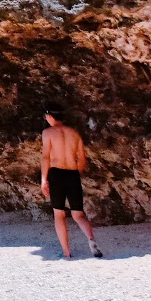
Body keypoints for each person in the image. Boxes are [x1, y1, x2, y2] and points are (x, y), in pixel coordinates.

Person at [42, 106, 104, 259]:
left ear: (50, 116)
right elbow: (82, 158)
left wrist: (44, 179)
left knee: (59, 214)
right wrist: (76, 174)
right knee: (78, 214)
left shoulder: (48, 132)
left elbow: (45, 157)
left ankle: (66, 252)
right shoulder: (74, 133)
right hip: (73, 174)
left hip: (57, 174)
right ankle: (91, 239)